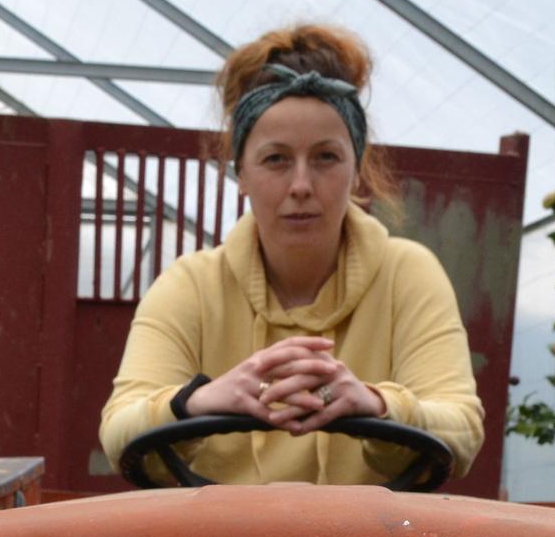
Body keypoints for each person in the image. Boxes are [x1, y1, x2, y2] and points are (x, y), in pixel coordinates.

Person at [99, 24, 484, 486]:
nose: (301, 185)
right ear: (240, 173)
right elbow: (118, 430)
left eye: (325, 157)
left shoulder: (408, 274)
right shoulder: (190, 285)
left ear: (356, 170)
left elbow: (462, 425)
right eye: (276, 159)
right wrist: (197, 402)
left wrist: (378, 405)